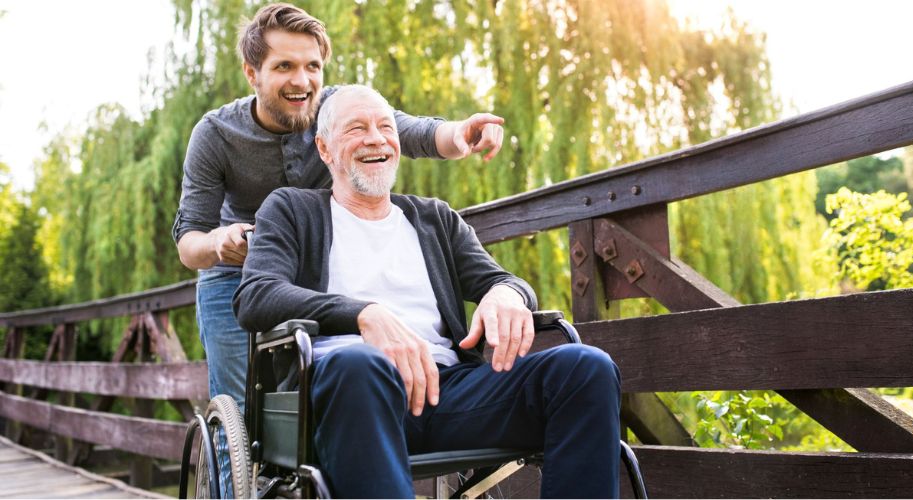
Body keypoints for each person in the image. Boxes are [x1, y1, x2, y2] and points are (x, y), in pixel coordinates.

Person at [233, 85, 622, 498]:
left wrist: (507, 294)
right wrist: (364, 315)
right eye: (356, 128)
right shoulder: (291, 209)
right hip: (347, 392)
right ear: (325, 150)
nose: (376, 138)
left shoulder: (434, 218)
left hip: (448, 391)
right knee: (360, 364)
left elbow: (502, 280)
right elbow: (256, 295)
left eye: (385, 127)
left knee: (586, 368)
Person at [172, 3, 506, 413]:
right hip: (234, 277)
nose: (302, 81)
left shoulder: (337, 111)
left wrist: (463, 133)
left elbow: (414, 132)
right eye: (284, 67)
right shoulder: (216, 134)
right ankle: (240, 473)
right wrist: (219, 242)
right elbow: (188, 244)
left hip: (313, 268)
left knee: (317, 396)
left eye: (313, 66)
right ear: (251, 73)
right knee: (241, 411)